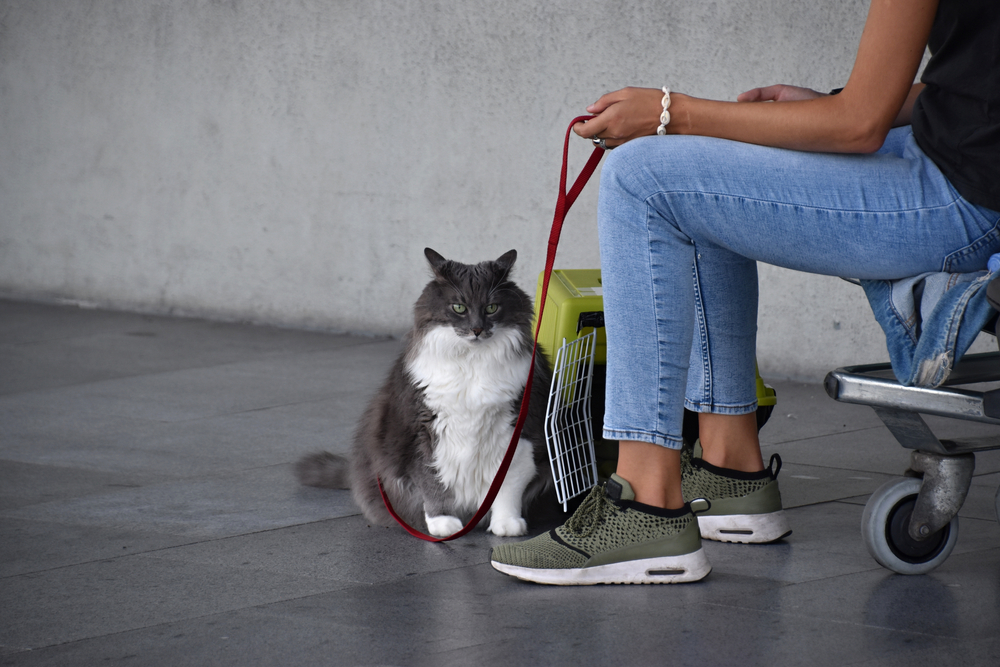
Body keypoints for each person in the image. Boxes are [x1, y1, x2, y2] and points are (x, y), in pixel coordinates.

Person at [490, 0, 1000, 585]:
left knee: (645, 177)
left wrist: (669, 111)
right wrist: (833, 105)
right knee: (706, 160)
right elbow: (978, 85)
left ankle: (644, 505)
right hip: (955, 159)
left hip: (963, 199)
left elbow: (858, 127)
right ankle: (728, 469)